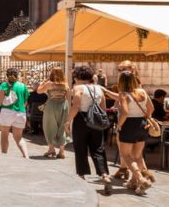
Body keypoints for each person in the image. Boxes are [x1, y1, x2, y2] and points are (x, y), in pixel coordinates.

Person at [66, 65, 111, 194]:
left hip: (82, 120)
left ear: (76, 77)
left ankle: (81, 176)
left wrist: (68, 121)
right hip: (96, 120)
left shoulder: (78, 88)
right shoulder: (98, 88)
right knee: (98, 148)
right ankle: (104, 175)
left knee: (80, 148)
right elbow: (103, 107)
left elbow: (76, 106)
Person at [116, 71, 155, 195]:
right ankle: (133, 182)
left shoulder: (123, 94)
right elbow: (151, 108)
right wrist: (145, 117)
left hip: (129, 125)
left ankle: (140, 179)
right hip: (142, 124)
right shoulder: (142, 92)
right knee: (137, 156)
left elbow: (125, 113)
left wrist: (119, 125)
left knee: (126, 155)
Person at [0, 67, 29, 158]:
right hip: (21, 113)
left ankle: (4, 155)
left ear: (7, 75)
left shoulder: (4, 85)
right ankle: (26, 155)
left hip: (7, 112)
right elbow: (25, 101)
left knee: (4, 134)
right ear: (17, 75)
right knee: (19, 137)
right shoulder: (23, 86)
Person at [36, 67, 69, 159]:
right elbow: (68, 97)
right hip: (63, 106)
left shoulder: (49, 84)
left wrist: (43, 82)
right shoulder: (65, 84)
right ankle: (62, 152)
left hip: (51, 106)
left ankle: (51, 149)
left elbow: (38, 91)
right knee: (62, 127)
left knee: (49, 126)